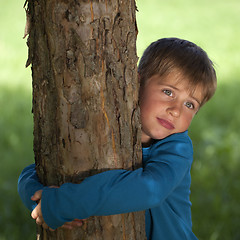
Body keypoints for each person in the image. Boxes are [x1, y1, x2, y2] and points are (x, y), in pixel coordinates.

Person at [18, 38, 217, 239]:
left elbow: (151, 189)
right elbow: (32, 172)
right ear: (135, 82)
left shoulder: (177, 149)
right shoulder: (108, 127)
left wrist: (67, 203)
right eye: (168, 92)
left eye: (190, 105)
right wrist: (39, 200)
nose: (176, 111)